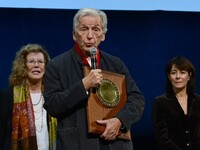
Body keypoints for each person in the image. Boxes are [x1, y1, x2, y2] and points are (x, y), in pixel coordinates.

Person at [44, 8, 145, 150]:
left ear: (103, 35)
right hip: (77, 143)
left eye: (96, 29)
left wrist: (120, 120)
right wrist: (83, 85)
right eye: (84, 29)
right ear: (74, 34)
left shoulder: (115, 64)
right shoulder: (57, 65)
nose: (90, 36)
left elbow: (137, 99)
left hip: (115, 143)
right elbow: (52, 105)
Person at [0, 44, 57, 150]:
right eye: (31, 61)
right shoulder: (7, 97)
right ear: (23, 66)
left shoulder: (53, 96)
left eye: (40, 61)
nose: (36, 65)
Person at [152, 56, 200, 150]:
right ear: (169, 76)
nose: (178, 76)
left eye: (182, 72)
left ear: (189, 75)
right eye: (174, 73)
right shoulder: (160, 102)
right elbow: (161, 136)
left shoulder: (198, 101)